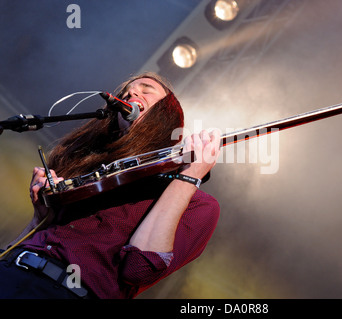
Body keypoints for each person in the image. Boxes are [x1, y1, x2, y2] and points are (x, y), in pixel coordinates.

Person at [0, 72, 221, 299]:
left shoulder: (199, 205)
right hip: (10, 272)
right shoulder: (95, 173)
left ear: (167, 115)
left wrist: (189, 177)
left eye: (146, 89)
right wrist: (40, 218)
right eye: (127, 91)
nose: (131, 93)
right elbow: (24, 245)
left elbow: (138, 270)